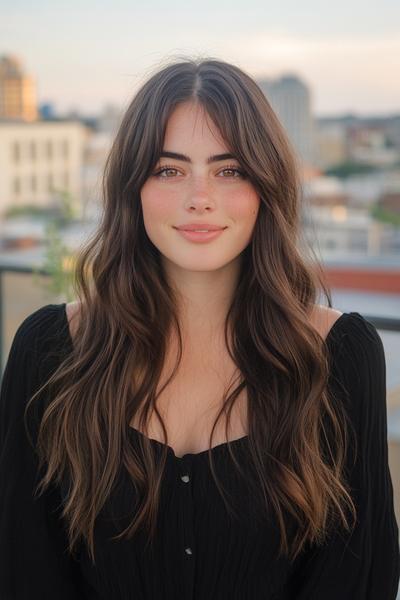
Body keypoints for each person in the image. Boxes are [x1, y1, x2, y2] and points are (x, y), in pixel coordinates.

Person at [0, 56, 399, 599]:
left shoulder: (341, 356)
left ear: (266, 186)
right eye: (169, 169)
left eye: (229, 169)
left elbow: (357, 578)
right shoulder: (50, 350)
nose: (199, 197)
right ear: (132, 187)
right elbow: (23, 567)